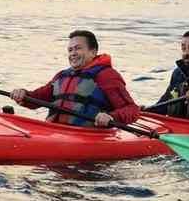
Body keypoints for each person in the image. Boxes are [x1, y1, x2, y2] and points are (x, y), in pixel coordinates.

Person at [11, 30, 141, 128]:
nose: (73, 53)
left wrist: (111, 117)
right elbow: (37, 99)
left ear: (93, 52)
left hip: (87, 136)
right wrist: (23, 94)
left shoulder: (106, 75)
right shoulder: (62, 75)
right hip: (53, 131)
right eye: (70, 50)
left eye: (78, 48)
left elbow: (132, 110)